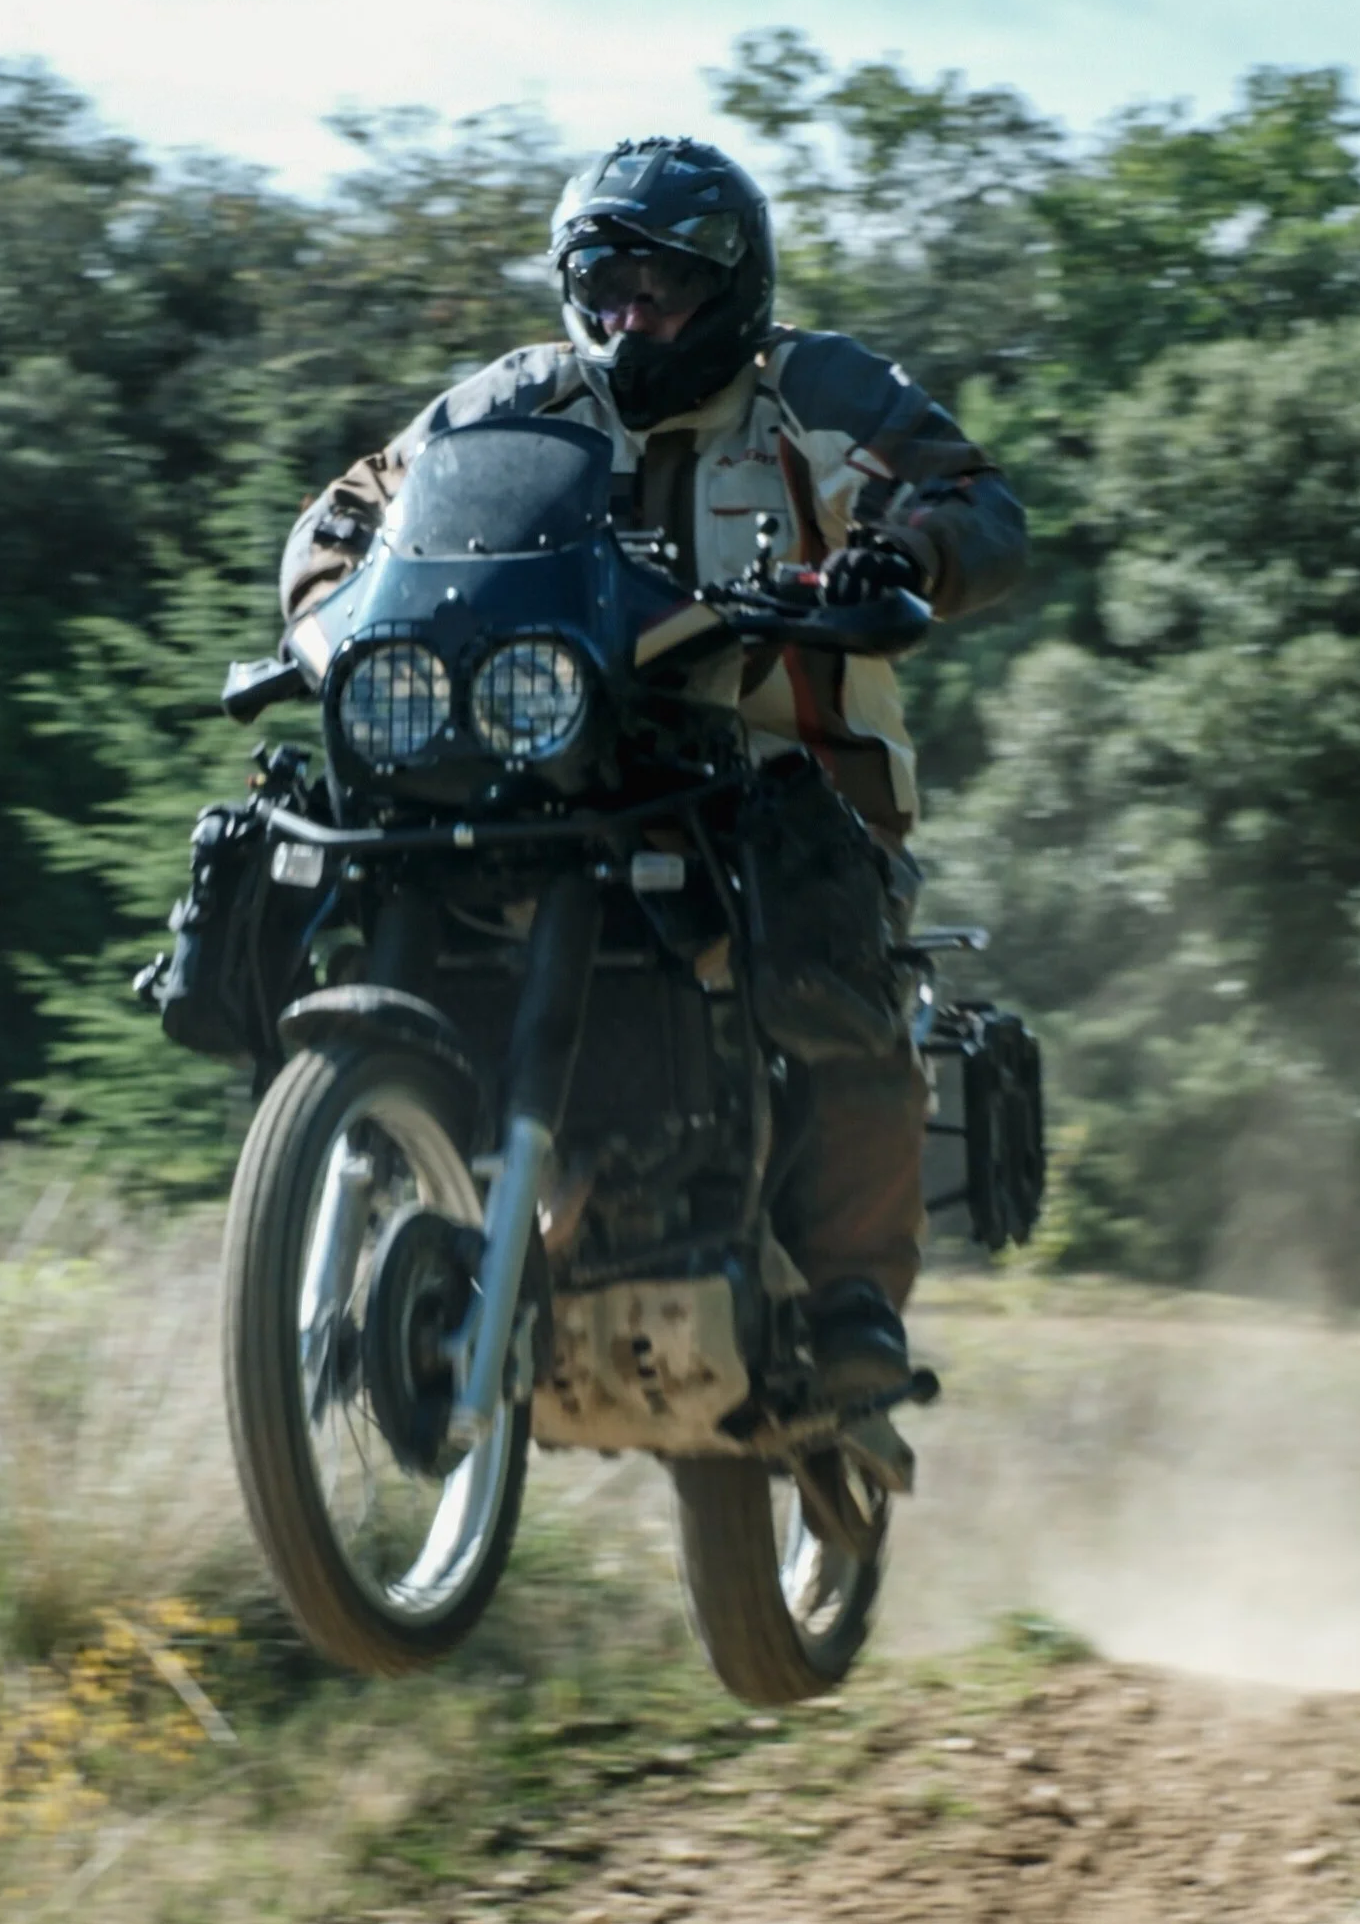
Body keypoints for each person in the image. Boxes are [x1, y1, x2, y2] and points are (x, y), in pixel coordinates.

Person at [281, 134, 1027, 1439]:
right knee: (301, 855)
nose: (630, 313)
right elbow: (348, 518)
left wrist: (894, 555)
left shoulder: (815, 386)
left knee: (835, 980)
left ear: (729, 288)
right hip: (546, 758)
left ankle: (853, 1307)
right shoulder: (511, 399)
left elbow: (973, 501)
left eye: (662, 287)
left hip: (782, 773)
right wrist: (327, 626)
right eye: (605, 282)